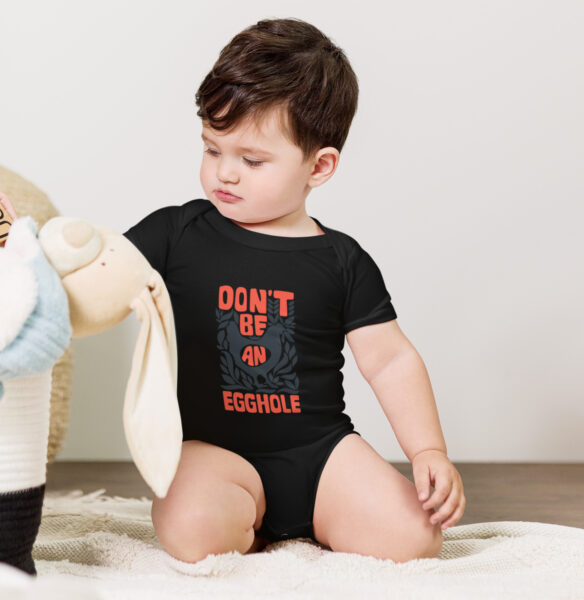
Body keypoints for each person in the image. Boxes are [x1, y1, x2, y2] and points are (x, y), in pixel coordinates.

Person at [123, 17, 465, 564]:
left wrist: (428, 450)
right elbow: (99, 271)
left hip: (319, 454)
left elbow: (390, 361)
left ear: (319, 165)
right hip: (214, 451)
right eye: (213, 150)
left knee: (415, 539)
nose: (224, 174)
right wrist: (24, 251)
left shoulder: (341, 260)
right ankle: (247, 523)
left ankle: (306, 522)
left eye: (251, 160)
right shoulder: (176, 233)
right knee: (190, 529)